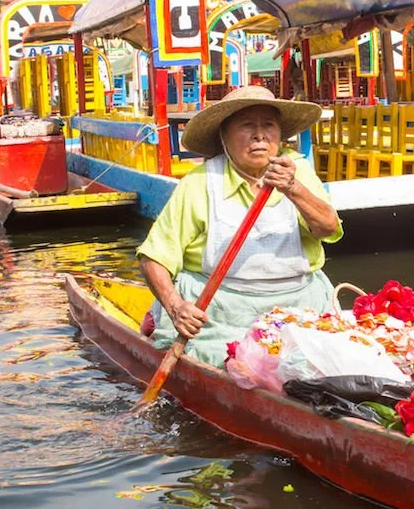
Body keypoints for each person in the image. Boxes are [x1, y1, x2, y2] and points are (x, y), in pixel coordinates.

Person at [137, 85, 342, 367]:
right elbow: (153, 258)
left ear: (280, 135)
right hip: (221, 315)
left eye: (268, 125)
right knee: (232, 363)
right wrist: (176, 307)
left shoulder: (298, 170)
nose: (260, 135)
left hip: (301, 308)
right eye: (247, 126)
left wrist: (294, 189)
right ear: (224, 137)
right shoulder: (200, 183)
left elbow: (328, 228)